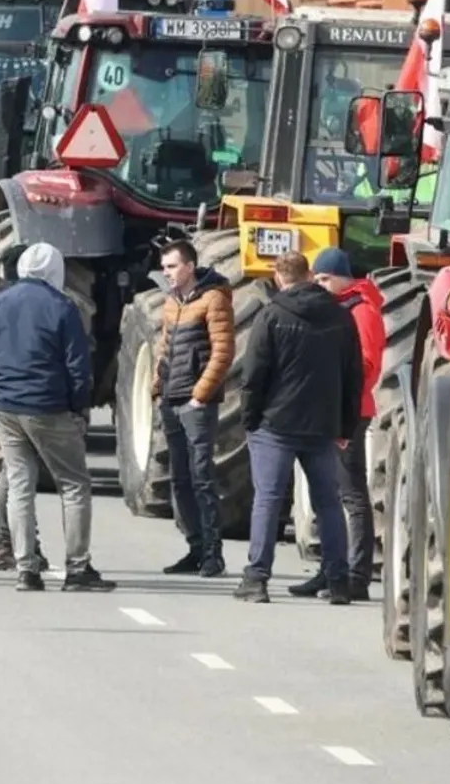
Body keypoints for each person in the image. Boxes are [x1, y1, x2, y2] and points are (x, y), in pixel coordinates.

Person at [0, 242, 113, 593]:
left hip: (5, 406)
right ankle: (77, 568)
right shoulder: (63, 307)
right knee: (74, 484)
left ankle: (26, 568)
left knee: (20, 484)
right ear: (54, 271)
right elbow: (77, 366)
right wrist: (79, 408)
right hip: (48, 406)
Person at [235, 252, 360, 604]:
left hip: (275, 424)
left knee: (269, 500)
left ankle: (257, 579)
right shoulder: (340, 316)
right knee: (328, 503)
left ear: (278, 277)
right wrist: (346, 426)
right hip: (322, 425)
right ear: (309, 275)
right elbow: (353, 376)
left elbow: (253, 375)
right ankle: (337, 580)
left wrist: (250, 419)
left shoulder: (272, 315)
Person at [300, 247, 384, 601]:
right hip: (330, 410)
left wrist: (339, 400)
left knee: (351, 494)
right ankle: (330, 570)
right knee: (329, 493)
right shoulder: (339, 308)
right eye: (315, 279)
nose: (319, 285)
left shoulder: (361, 310)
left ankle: (356, 575)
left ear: (340, 277)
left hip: (349, 412)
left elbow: (366, 362)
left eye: (323, 278)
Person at [149, 239, 234, 577]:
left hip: (196, 403)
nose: (166, 273)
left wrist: (200, 394)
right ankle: (194, 547)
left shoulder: (213, 299)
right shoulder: (172, 302)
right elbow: (165, 346)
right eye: (164, 267)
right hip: (171, 399)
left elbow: (223, 351)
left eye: (171, 266)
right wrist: (157, 386)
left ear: (189, 266)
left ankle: (214, 554)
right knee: (179, 479)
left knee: (202, 478)